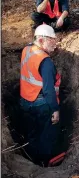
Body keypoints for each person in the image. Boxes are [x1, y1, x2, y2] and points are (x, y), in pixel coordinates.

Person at [20, 24, 66, 166]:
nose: (55, 43)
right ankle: (45, 160)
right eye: (51, 40)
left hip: (25, 100)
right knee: (48, 132)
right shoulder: (45, 62)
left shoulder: (27, 50)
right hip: (41, 104)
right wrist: (55, 109)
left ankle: (31, 155)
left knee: (32, 130)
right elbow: (48, 90)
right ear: (40, 41)